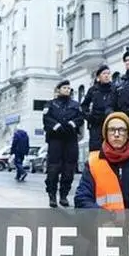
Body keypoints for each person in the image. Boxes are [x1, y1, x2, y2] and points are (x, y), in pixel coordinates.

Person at [42, 80, 84, 208]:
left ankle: (64, 195)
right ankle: (52, 195)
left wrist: (72, 124)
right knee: (53, 168)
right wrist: (56, 126)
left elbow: (80, 118)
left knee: (69, 168)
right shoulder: (51, 104)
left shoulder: (75, 105)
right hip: (55, 139)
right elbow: (46, 119)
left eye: (68, 88)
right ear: (58, 89)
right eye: (64, 88)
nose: (67, 90)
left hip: (70, 139)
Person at [81, 66, 116, 152]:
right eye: (104, 73)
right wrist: (89, 116)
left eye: (108, 73)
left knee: (112, 148)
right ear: (98, 77)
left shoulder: (114, 89)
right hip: (96, 124)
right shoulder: (93, 90)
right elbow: (84, 106)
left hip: (111, 123)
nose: (107, 76)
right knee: (96, 150)